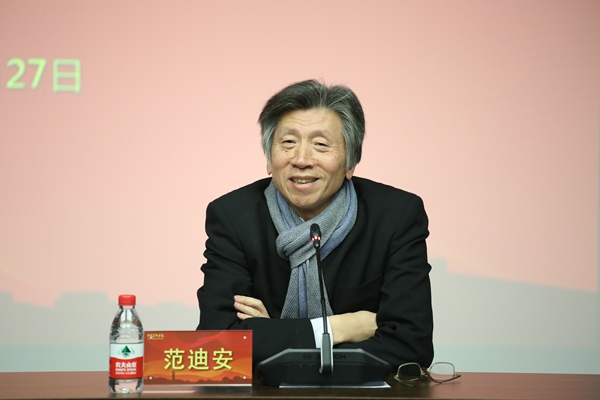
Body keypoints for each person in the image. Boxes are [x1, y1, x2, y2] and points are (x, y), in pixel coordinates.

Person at [196, 79, 434, 370]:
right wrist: (341, 328)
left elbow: (412, 347)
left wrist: (271, 334)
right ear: (269, 158)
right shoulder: (233, 217)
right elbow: (217, 345)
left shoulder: (395, 215)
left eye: (321, 145)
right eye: (288, 143)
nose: (302, 159)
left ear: (350, 163)